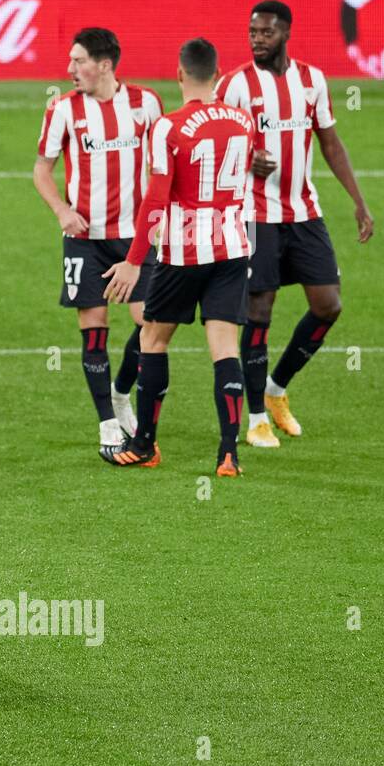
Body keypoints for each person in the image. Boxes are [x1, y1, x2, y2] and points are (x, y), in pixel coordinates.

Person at [216, 0, 374, 446]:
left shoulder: (312, 81)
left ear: (286, 33)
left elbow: (330, 142)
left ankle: (275, 390)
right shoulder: (236, 85)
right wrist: (247, 158)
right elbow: (215, 141)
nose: (257, 39)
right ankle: (254, 421)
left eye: (266, 32)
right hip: (255, 214)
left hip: (304, 211)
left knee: (328, 305)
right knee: (259, 312)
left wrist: (358, 202)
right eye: (252, 32)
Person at [102, 38, 256, 477]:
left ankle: (145, 445)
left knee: (153, 340)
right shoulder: (243, 121)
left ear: (179, 74)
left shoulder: (169, 127)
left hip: (184, 252)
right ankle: (229, 453)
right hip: (232, 247)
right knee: (225, 349)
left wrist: (134, 260)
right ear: (218, 74)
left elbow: (155, 199)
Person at [33, 28, 163, 450]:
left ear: (104, 65)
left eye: (79, 61)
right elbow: (42, 170)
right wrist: (62, 210)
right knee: (94, 328)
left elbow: (163, 167)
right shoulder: (63, 110)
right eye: (70, 61)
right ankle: (107, 421)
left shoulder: (146, 104)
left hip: (134, 238)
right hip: (85, 239)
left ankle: (120, 390)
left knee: (149, 324)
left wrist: (160, 219)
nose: (70, 69)